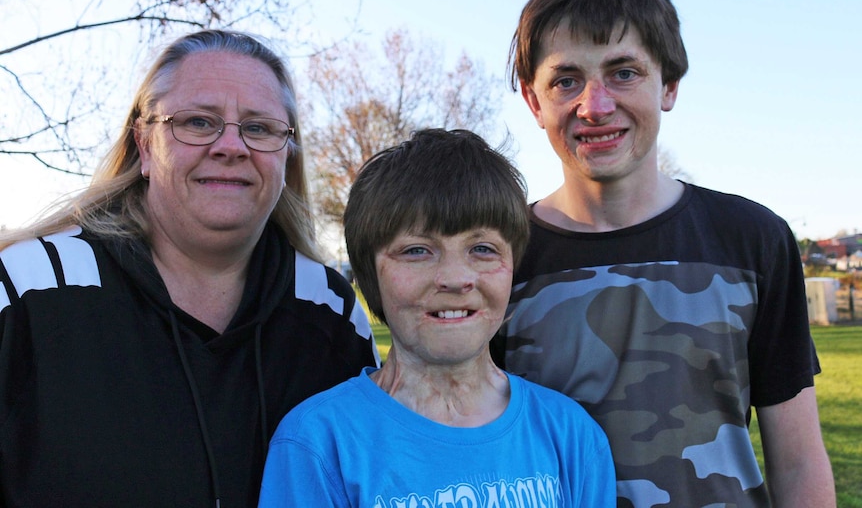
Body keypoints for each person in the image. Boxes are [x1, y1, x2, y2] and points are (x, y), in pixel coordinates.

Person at [490, 0, 835, 508]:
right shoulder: (497, 259)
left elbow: (798, 459)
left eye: (623, 72)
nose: (595, 106)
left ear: (669, 85)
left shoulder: (753, 240)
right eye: (566, 80)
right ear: (535, 102)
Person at [0, 29, 379, 507]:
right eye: (199, 122)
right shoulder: (27, 287)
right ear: (143, 145)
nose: (231, 146)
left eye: (259, 128)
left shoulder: (329, 312)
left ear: (287, 154)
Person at [258, 129, 615, 507]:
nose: (456, 279)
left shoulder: (571, 437)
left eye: (482, 248)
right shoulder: (318, 444)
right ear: (370, 275)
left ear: (512, 264)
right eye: (416, 250)